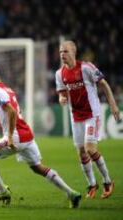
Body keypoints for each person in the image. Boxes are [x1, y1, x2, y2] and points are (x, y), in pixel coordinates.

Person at [0, 64, 82, 208]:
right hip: (26, 135)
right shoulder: (7, 90)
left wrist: (8, 136)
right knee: (37, 167)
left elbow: (12, 113)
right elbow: (0, 116)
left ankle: (2, 191)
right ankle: (72, 194)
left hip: (15, 136)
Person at [55, 41, 119, 199]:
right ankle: (92, 184)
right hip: (75, 117)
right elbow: (62, 94)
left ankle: (107, 181)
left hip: (92, 114)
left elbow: (103, 84)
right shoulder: (59, 74)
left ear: (74, 52)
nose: (63, 54)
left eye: (66, 51)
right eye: (61, 52)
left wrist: (113, 105)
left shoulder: (86, 68)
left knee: (90, 148)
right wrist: (62, 98)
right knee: (82, 154)